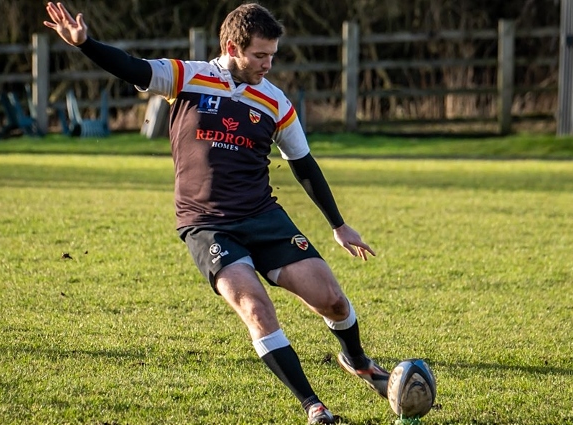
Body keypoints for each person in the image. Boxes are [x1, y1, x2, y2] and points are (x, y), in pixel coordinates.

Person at [44, 2, 389, 423]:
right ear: (232, 46)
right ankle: (314, 407)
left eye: (273, 55)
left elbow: (303, 164)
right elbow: (132, 68)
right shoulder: (188, 76)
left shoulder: (274, 101)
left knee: (333, 301)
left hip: (264, 217)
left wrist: (338, 224)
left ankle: (357, 361)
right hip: (207, 227)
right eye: (260, 55)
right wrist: (86, 45)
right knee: (256, 308)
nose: (268, 64)